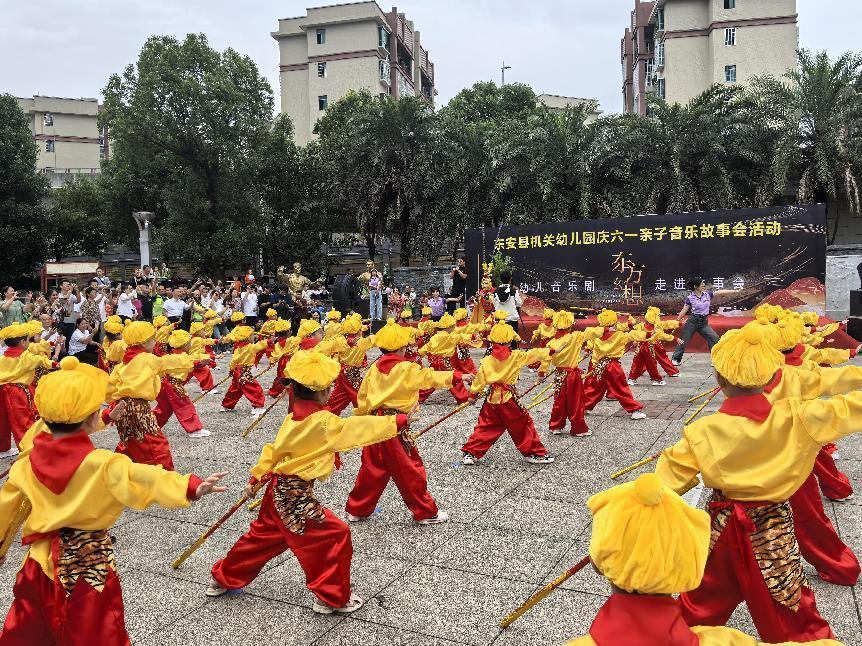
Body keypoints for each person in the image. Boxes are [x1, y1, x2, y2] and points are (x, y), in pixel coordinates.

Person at [655, 325, 862, 642]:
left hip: (722, 527)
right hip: (773, 528)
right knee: (791, 608)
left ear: (720, 381)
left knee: (698, 602)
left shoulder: (703, 432)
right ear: (770, 377)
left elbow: (665, 480)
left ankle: (675, 639)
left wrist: (633, 509)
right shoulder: (800, 417)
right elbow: (849, 406)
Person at [0, 355, 226, 644]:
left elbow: (6, 509)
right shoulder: (104, 464)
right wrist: (191, 486)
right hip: (86, 563)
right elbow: (146, 478)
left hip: (38, 562)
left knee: (29, 627)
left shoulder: (26, 463)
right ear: (92, 417)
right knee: (95, 631)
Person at [207, 351, 411, 614]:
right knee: (334, 536)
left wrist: (257, 477)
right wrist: (398, 420)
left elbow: (274, 450)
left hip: (277, 490)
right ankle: (330, 596)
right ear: (322, 392)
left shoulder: (294, 416)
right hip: (294, 497)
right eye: (329, 388)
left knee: (262, 538)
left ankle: (222, 578)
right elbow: (355, 429)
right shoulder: (322, 422)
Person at [564, 474, 841, 646]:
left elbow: (673, 469)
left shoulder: (703, 433)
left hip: (730, 518)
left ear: (598, 566)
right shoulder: (728, 641)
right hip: (770, 526)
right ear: (689, 566)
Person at [345, 320, 470, 525]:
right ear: (402, 347)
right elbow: (429, 377)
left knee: (371, 468)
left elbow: (363, 396)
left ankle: (357, 509)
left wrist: (362, 420)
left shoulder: (374, 369)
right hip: (396, 427)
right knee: (409, 469)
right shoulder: (406, 368)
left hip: (375, 425)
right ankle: (425, 512)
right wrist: (457, 376)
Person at [460, 313, 559, 466]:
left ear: (492, 340)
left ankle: (470, 453)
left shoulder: (487, 360)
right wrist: (551, 351)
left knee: (486, 426)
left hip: (491, 399)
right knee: (523, 424)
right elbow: (534, 353)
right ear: (510, 340)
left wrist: (473, 395)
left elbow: (480, 379)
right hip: (508, 400)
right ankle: (534, 453)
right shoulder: (516, 356)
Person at [108, 321, 201, 470]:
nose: (155, 342)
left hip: (123, 408)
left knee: (131, 442)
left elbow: (110, 387)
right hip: (138, 409)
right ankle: (165, 480)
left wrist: (113, 404)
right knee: (156, 447)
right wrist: (194, 362)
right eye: (153, 339)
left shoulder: (123, 363)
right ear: (145, 342)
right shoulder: (146, 358)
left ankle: (117, 472)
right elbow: (167, 362)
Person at [0, 323, 54, 456]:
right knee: (22, 421)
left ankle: (3, 448)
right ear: (23, 341)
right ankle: (28, 450)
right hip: (17, 391)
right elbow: (41, 360)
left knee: (2, 421)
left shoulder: (3, 356)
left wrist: (48, 344)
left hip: (2, 389)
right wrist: (57, 364)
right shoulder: (25, 357)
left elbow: (35, 348)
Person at [582, 310, 647, 420]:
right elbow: (639, 334)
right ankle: (634, 410)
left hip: (599, 366)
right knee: (621, 389)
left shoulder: (595, 334)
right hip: (613, 366)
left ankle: (584, 407)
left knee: (594, 388)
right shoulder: (620, 335)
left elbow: (589, 341)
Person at [545, 310, 600, 437]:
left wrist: (542, 373)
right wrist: (605, 329)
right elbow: (590, 332)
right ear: (570, 325)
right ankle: (578, 428)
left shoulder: (551, 342)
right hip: (572, 375)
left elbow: (546, 358)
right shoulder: (575, 336)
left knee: (559, 400)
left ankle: (556, 425)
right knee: (575, 402)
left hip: (559, 374)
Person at [153, 329, 211, 438]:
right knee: (185, 406)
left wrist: (206, 359)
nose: (191, 344)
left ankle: (150, 426)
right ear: (184, 345)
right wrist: (197, 363)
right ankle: (194, 429)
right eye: (189, 342)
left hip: (169, 385)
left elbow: (191, 358)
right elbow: (186, 363)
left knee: (163, 409)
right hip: (174, 386)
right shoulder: (175, 357)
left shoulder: (179, 355)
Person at [219, 324, 268, 417]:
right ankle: (257, 407)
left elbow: (234, 361)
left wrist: (231, 370)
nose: (254, 337)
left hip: (237, 370)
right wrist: (270, 341)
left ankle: (226, 405)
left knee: (235, 389)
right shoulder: (250, 347)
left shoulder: (238, 348)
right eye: (252, 335)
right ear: (248, 338)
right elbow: (260, 345)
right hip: (245, 371)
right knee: (254, 389)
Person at [671, 277, 720, 365]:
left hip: (704, 323)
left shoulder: (707, 294)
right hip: (692, 321)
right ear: (695, 286)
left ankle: (715, 359)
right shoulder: (690, 298)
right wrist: (677, 320)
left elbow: (720, 292)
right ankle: (675, 359)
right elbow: (684, 310)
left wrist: (735, 291)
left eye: (703, 283)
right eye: (701, 284)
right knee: (683, 340)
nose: (703, 285)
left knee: (714, 338)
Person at [628, 307, 680, 385]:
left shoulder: (641, 325)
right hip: (651, 346)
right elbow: (663, 334)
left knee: (638, 362)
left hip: (641, 346)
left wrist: (629, 317)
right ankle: (657, 379)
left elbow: (634, 327)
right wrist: (675, 338)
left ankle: (632, 378)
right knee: (653, 362)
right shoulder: (656, 327)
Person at [491, 270, 522, 335]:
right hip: (512, 319)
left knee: (500, 340)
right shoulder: (513, 291)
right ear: (510, 279)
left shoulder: (496, 291)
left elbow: (493, 303)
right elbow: (519, 303)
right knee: (513, 340)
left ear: (500, 279)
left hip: (500, 320)